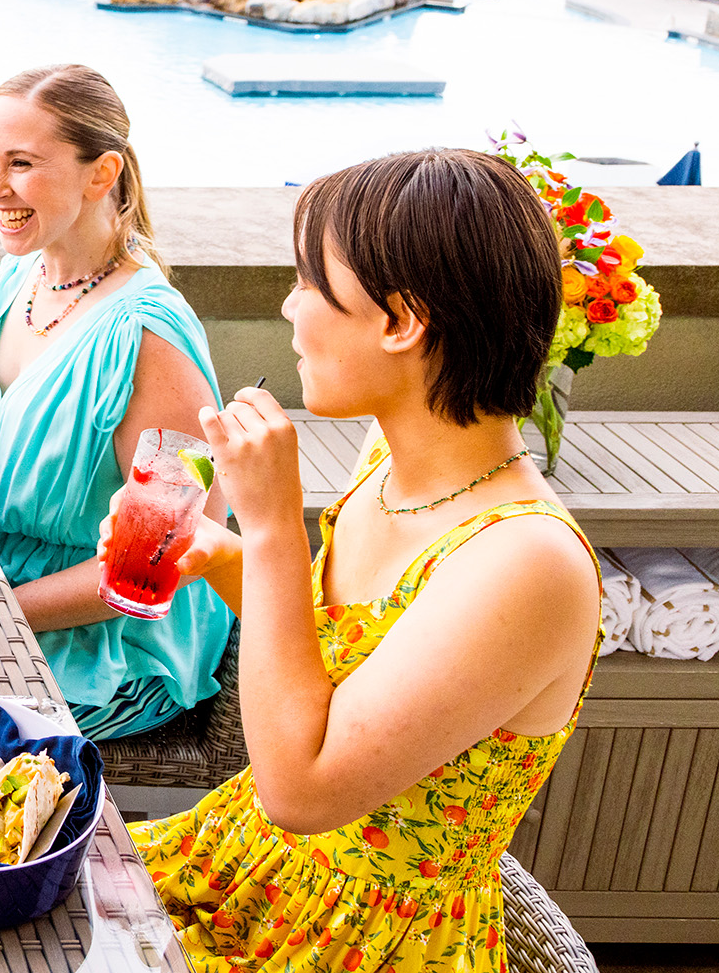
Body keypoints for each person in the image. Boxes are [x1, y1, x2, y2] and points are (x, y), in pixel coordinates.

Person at [127, 149, 597, 970]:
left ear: (400, 320)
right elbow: (335, 654)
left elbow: (302, 789)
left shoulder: (528, 562)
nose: (288, 304)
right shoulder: (387, 452)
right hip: (250, 867)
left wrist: (273, 528)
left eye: (311, 282)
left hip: (354, 941)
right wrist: (220, 551)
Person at [0, 64, 231, 740]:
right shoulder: (23, 276)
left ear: (101, 173)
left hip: (105, 648)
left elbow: (157, 565)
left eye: (22, 163)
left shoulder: (152, 341)